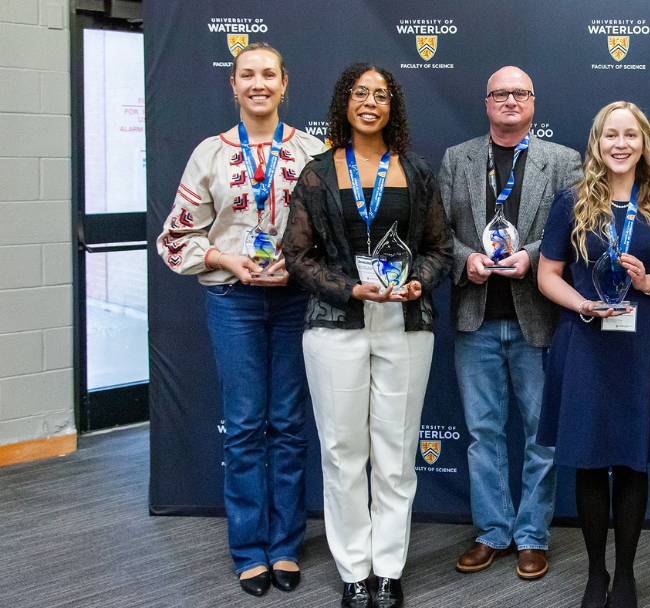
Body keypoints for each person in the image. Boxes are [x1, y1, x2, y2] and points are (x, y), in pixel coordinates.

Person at [155, 42, 325, 596]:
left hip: (296, 301)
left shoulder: (311, 152)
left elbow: (338, 236)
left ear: (284, 84)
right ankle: (250, 548)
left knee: (290, 422)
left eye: (268, 74)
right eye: (247, 74)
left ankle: (285, 544)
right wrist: (227, 258)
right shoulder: (209, 154)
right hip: (234, 301)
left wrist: (300, 267)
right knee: (247, 425)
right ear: (233, 85)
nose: (258, 83)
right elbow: (175, 237)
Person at [282, 63, 452, 608]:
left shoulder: (417, 172)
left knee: (397, 456)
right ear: (345, 103)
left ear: (392, 106)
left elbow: (439, 249)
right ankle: (354, 570)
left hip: (406, 324)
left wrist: (417, 283)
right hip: (337, 325)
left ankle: (387, 569)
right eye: (361, 93)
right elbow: (296, 255)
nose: (371, 102)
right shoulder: (316, 172)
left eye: (381, 94)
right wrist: (350, 289)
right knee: (342, 452)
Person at [536, 101, 650, 608]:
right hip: (586, 344)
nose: (620, 144)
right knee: (587, 463)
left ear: (644, 142)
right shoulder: (572, 202)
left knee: (631, 465)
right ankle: (595, 574)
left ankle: (625, 573)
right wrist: (582, 302)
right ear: (597, 144)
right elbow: (546, 275)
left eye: (630, 135)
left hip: (642, 347)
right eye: (611, 135)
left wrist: (649, 282)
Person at [439, 66, 583, 580]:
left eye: (519, 92)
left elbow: (575, 234)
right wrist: (464, 261)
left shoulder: (564, 161)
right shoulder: (458, 159)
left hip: (537, 319)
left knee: (541, 435)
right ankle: (492, 532)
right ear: (486, 102)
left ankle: (532, 536)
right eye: (499, 92)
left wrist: (534, 255)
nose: (509, 100)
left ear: (533, 102)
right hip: (475, 318)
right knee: (482, 433)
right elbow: (440, 234)